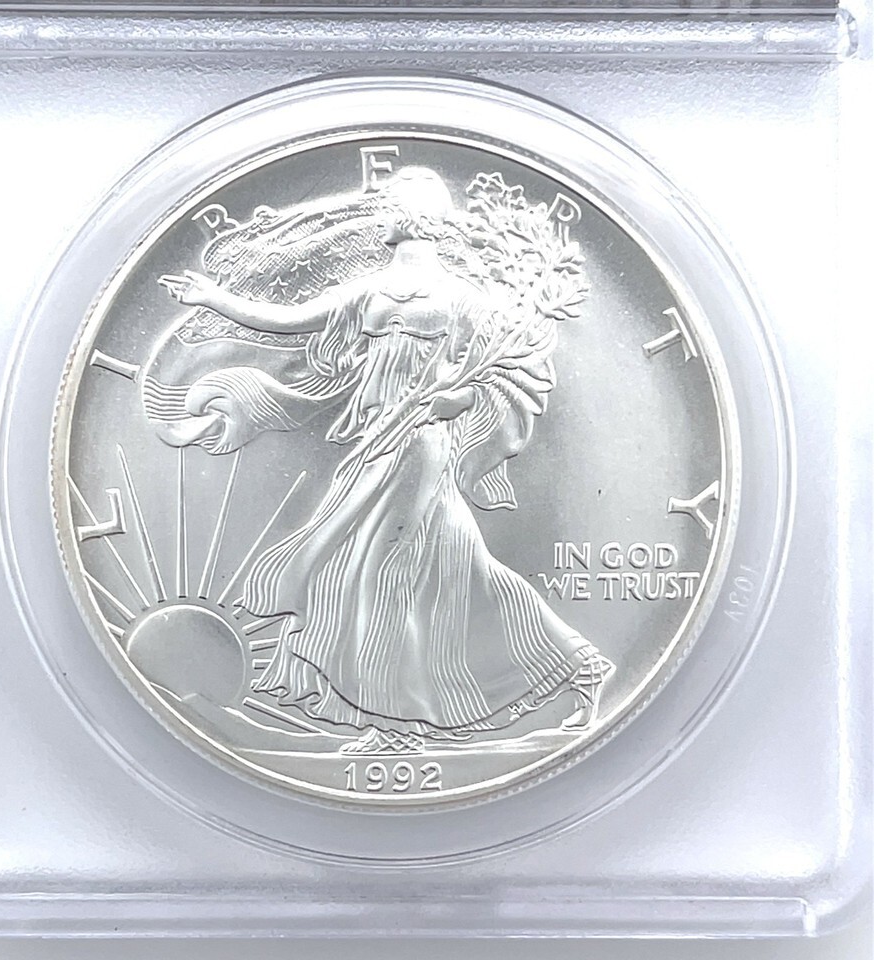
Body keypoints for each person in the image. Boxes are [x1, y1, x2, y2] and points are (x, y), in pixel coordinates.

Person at [160, 166, 613, 755]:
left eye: (392, 209)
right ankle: (576, 666)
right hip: (378, 436)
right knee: (447, 568)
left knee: (380, 566)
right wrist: (213, 298)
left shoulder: (464, 300)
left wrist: (461, 399)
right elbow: (290, 322)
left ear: (413, 220)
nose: (384, 221)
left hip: (421, 440)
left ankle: (394, 726)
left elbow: (516, 372)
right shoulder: (370, 292)